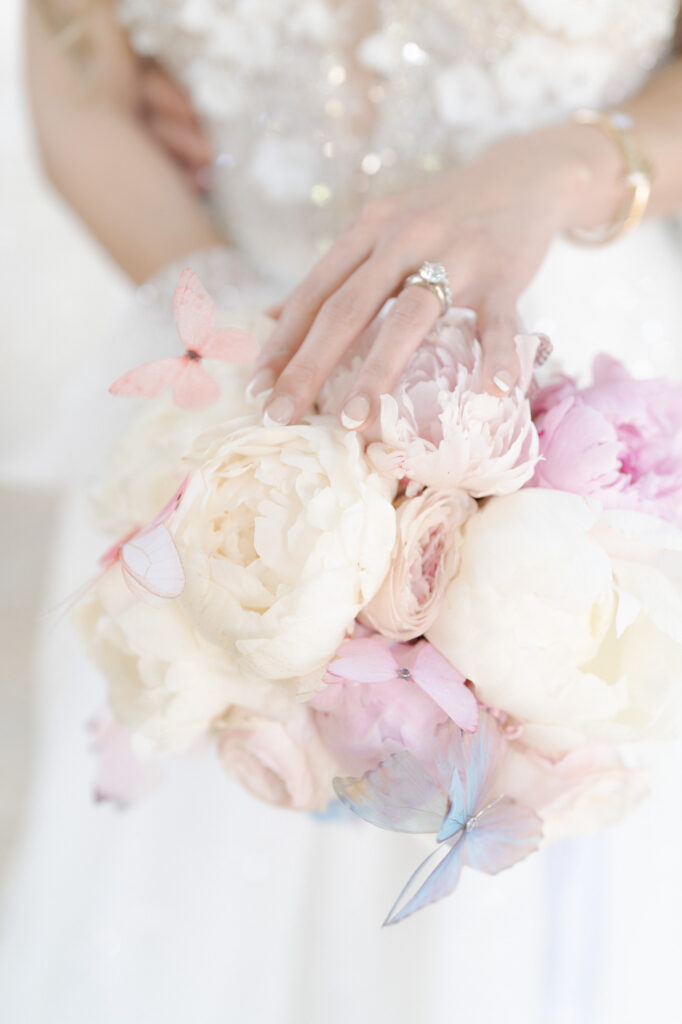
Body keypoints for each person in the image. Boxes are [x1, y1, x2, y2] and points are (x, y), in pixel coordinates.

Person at [2, 2, 682, 1021]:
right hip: (233, 382)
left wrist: (572, 163)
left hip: (564, 378)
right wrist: (251, 379)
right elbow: (81, 99)